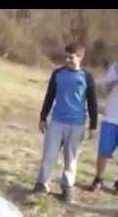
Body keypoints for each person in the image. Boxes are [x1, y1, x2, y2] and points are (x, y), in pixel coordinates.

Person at [33, 43, 98, 203]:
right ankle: (42, 185)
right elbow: (50, 96)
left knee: (71, 158)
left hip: (77, 124)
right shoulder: (58, 74)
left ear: (80, 57)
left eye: (71, 56)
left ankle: (67, 188)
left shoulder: (87, 77)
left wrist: (93, 126)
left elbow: (92, 102)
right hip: (57, 122)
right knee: (49, 155)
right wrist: (43, 117)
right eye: (66, 56)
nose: (67, 59)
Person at [90, 62, 118, 191]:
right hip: (111, 118)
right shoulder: (115, 68)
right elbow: (102, 88)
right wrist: (112, 84)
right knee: (104, 151)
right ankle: (98, 179)